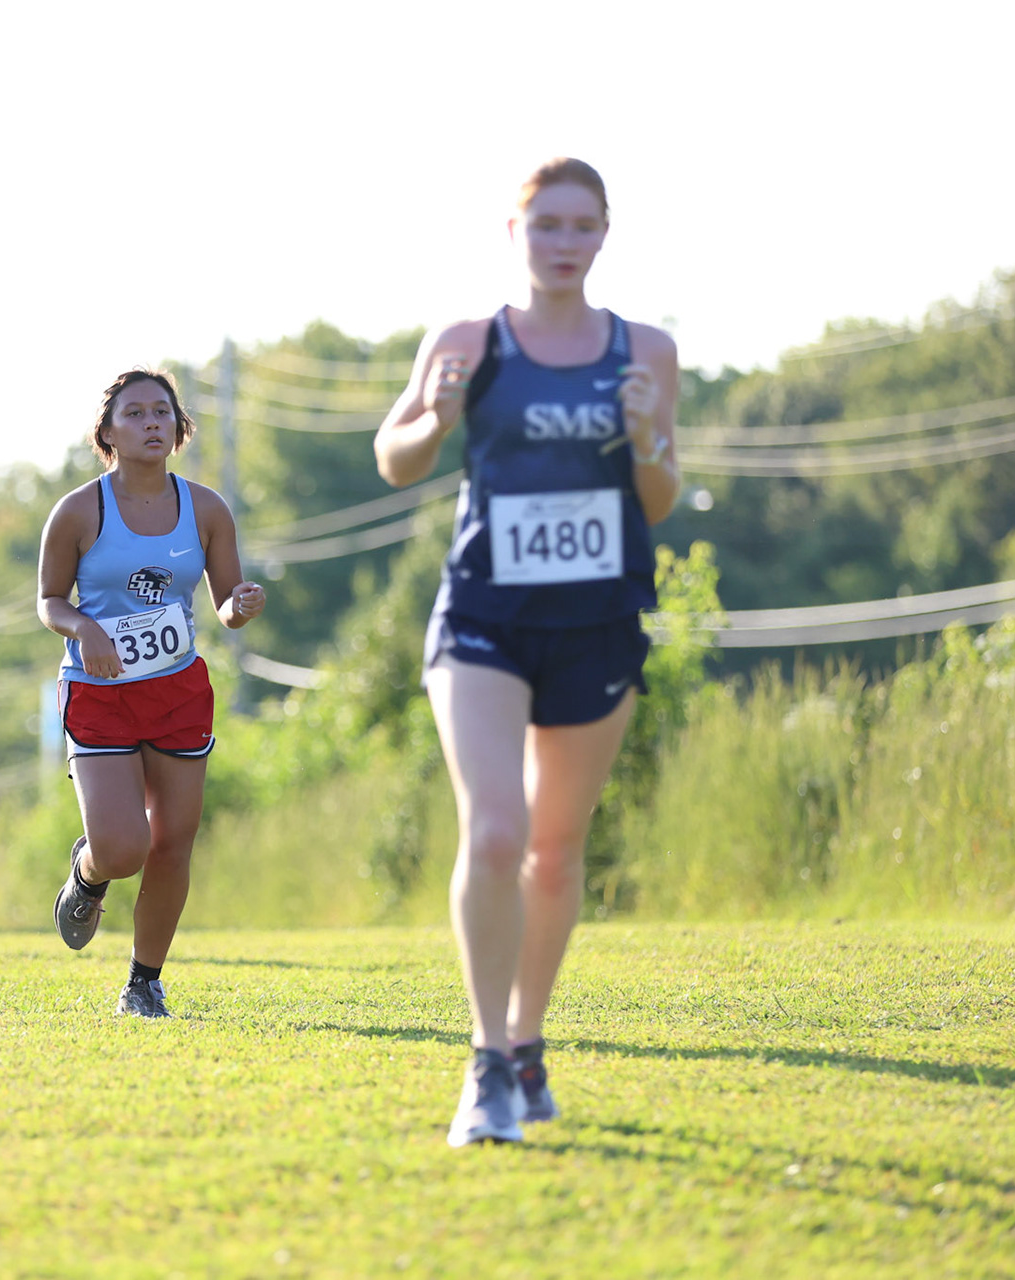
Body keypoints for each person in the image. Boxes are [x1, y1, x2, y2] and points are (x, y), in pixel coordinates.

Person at [373, 158, 680, 1146]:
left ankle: (528, 1040)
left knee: (552, 851)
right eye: (546, 222)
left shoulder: (647, 350)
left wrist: (644, 438)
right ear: (515, 232)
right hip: (483, 619)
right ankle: (486, 1062)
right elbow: (395, 456)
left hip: (596, 620)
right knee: (496, 832)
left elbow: (662, 496)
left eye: (582, 224)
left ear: (603, 235)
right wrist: (436, 413)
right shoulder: (469, 341)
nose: (564, 240)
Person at [38, 368, 266, 1017]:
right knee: (123, 849)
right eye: (135, 414)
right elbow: (49, 601)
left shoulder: (207, 509)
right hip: (99, 688)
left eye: (162, 412)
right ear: (107, 432)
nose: (151, 423)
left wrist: (239, 607)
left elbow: (225, 602)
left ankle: (144, 982)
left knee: (172, 842)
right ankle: (88, 872)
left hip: (176, 691)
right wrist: (86, 629)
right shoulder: (80, 510)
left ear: (180, 427)